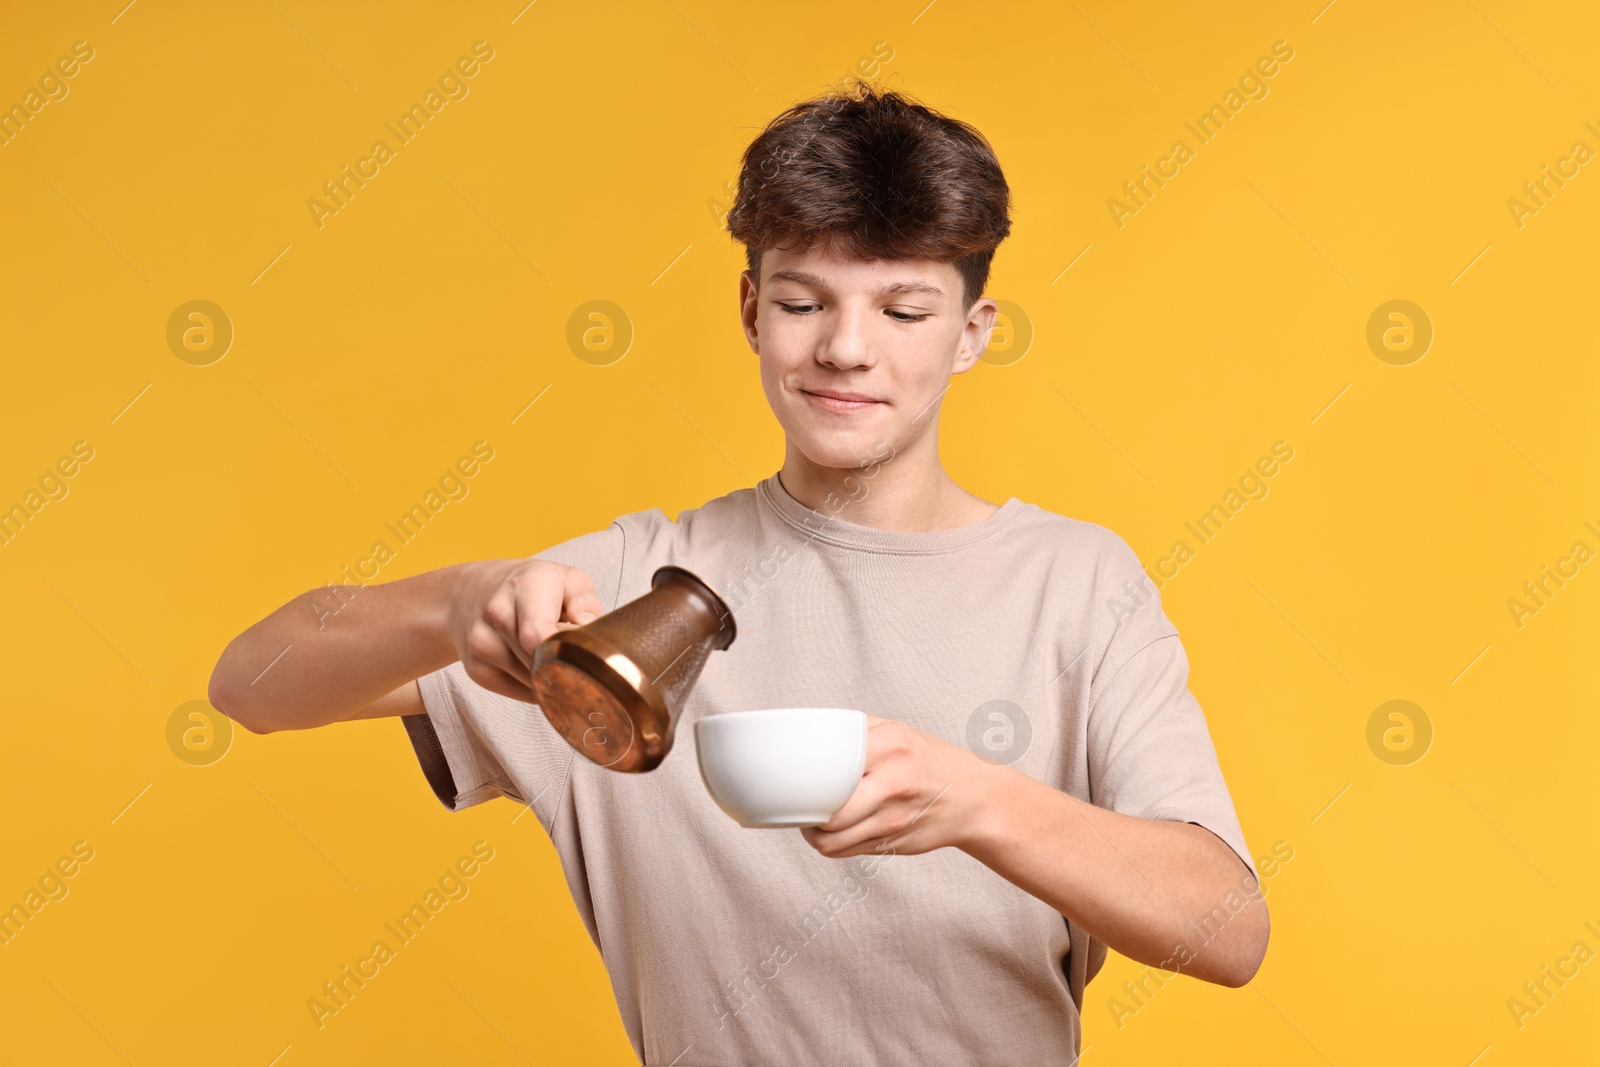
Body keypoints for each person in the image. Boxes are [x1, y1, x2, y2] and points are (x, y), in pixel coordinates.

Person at [209, 81, 1267, 1065]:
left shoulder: (1075, 582)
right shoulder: (624, 598)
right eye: (806, 303)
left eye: (902, 311)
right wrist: (452, 601)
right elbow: (249, 684)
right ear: (751, 310)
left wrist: (974, 799)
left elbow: (1226, 927)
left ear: (968, 334)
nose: (847, 349)